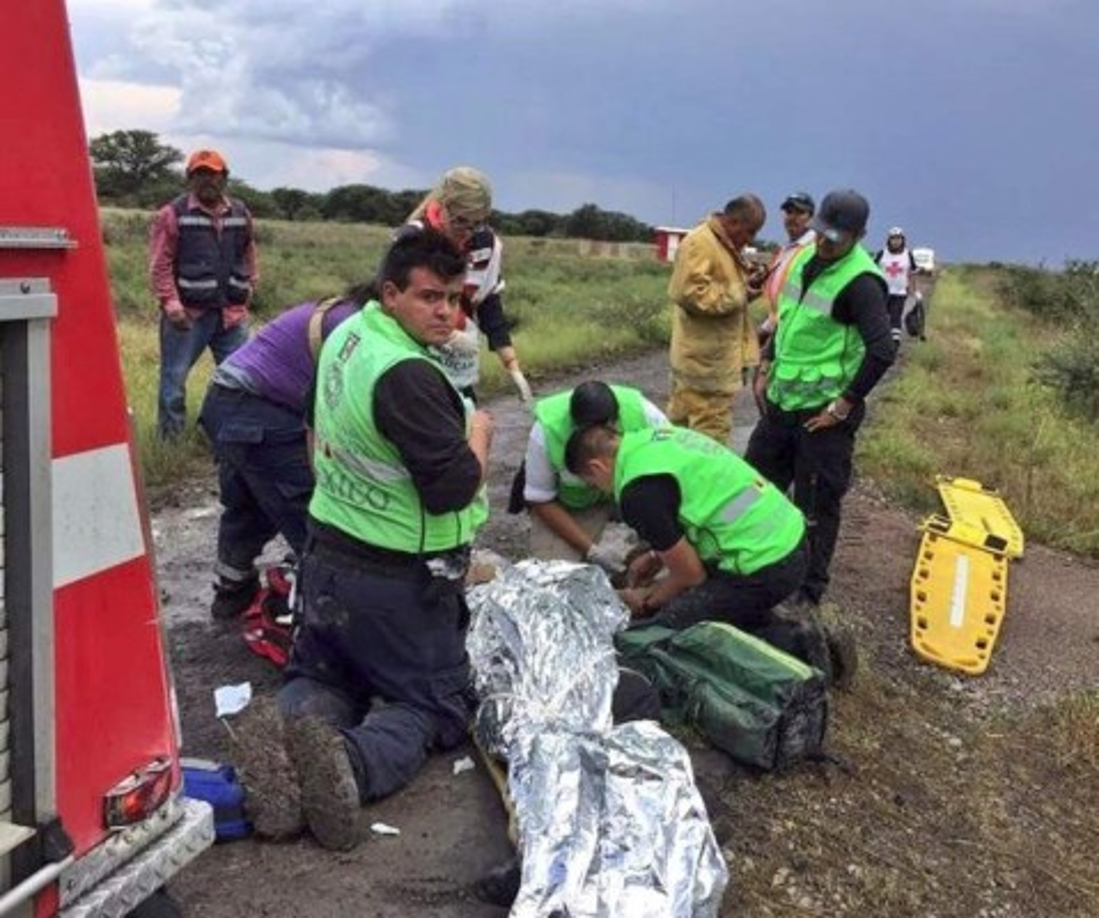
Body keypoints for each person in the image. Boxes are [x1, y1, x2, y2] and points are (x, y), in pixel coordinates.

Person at [271, 229, 493, 852]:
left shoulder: (350, 334)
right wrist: (479, 436)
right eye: (430, 297)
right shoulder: (407, 376)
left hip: (329, 557)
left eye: (455, 299)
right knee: (431, 704)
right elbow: (450, 489)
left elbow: (316, 431)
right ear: (391, 293)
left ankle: (286, 749)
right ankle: (345, 765)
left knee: (326, 672)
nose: (446, 312)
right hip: (396, 578)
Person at [565, 424, 835, 670]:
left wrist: (647, 602)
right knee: (703, 601)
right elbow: (689, 506)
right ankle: (774, 620)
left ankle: (798, 643)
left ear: (597, 468)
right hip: (787, 533)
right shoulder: (653, 438)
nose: (600, 491)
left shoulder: (636, 491)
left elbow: (691, 576)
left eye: (592, 484)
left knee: (664, 628)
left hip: (768, 564)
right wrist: (655, 555)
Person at [746, 189, 894, 607]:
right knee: (756, 488)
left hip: (821, 417)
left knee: (814, 506)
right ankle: (753, 565)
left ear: (860, 236)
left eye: (836, 238)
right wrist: (766, 363)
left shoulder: (862, 282)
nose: (826, 244)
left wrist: (843, 405)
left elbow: (883, 350)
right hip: (780, 403)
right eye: (821, 234)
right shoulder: (805, 260)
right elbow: (787, 318)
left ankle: (806, 594)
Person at [196, 288, 366, 620]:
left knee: (253, 503)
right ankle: (336, 618)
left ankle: (233, 590)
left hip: (226, 401)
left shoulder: (344, 310)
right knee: (314, 510)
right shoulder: (359, 327)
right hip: (256, 410)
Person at [149, 149, 258, 439]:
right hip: (188, 314)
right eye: (200, 174)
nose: (207, 180)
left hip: (231, 314)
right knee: (174, 381)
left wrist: (250, 287)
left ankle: (226, 436)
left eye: (213, 174)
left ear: (225, 178)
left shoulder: (240, 212)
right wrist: (170, 303)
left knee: (240, 379)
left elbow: (248, 252)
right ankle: (171, 443)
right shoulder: (173, 214)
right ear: (190, 178)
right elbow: (160, 263)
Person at [404, 166, 532, 402]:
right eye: (460, 221)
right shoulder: (413, 239)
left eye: (477, 224)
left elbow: (488, 301)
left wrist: (511, 362)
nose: (467, 232)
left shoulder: (485, 243)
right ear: (442, 206)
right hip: (412, 359)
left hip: (459, 362)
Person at [518, 381, 668, 573]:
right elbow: (541, 500)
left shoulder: (644, 414)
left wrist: (657, 552)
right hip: (575, 506)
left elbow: (675, 477)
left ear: (615, 421)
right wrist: (592, 551)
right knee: (553, 571)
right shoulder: (546, 431)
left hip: (637, 494)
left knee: (674, 558)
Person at [666, 194, 767, 445]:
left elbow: (719, 292)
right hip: (705, 370)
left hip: (706, 364)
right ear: (733, 222)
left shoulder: (722, 244)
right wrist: (740, 292)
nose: (751, 239)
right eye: (750, 231)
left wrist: (746, 290)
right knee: (708, 441)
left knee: (681, 435)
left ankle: (677, 481)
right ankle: (697, 484)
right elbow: (690, 293)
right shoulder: (700, 243)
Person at [759, 191, 818, 346]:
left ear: (811, 217)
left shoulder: (815, 249)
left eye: (800, 213)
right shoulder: (785, 249)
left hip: (797, 335)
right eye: (789, 212)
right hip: (777, 328)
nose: (792, 217)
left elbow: (819, 302)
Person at [874, 226, 919, 349]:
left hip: (900, 293)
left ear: (902, 240)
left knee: (896, 316)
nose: (896, 241)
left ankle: (894, 342)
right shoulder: (882, 254)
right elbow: (871, 269)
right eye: (893, 238)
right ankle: (878, 339)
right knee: (880, 316)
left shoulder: (908, 255)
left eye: (898, 238)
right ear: (889, 240)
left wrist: (914, 291)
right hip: (882, 292)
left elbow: (913, 273)